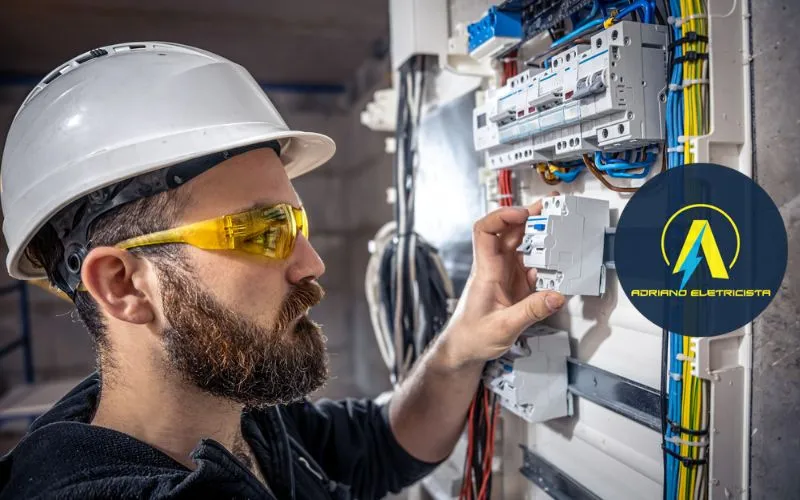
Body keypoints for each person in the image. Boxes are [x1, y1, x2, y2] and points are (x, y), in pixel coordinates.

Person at [0, 42, 564, 499]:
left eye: (296, 223)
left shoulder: (239, 409)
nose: (311, 263)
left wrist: (461, 345)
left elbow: (380, 446)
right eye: (260, 231)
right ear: (123, 285)